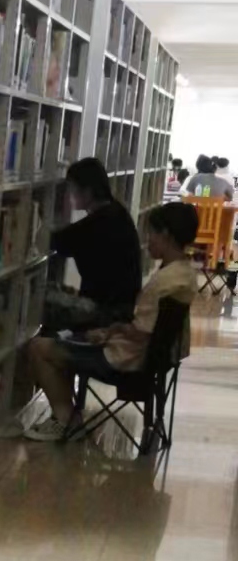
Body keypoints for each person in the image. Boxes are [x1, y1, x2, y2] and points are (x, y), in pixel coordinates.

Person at [23, 202, 199, 441]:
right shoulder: (185, 274)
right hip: (153, 360)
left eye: (152, 233)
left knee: (39, 347)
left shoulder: (165, 282)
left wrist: (112, 332)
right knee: (73, 337)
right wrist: (111, 332)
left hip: (124, 360)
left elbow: (141, 332)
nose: (148, 240)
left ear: (166, 234)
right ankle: (69, 417)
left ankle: (65, 420)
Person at [43, 157, 143, 331]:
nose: (70, 196)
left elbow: (52, 241)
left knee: (42, 304)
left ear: (87, 192)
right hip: (122, 307)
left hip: (103, 314)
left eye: (72, 190)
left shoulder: (97, 224)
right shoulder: (117, 211)